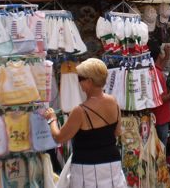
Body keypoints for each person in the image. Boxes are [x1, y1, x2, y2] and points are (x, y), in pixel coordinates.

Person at [44, 58, 126, 187]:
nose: (79, 83)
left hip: (87, 168)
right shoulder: (113, 101)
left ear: (89, 81)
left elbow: (59, 137)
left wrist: (52, 119)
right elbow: (117, 131)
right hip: (112, 163)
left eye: (80, 79)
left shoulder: (80, 111)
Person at [148, 39, 170, 147]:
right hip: (160, 118)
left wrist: (166, 55)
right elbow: (159, 99)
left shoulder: (152, 70)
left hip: (156, 117)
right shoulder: (157, 73)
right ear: (159, 55)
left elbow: (160, 67)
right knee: (161, 150)